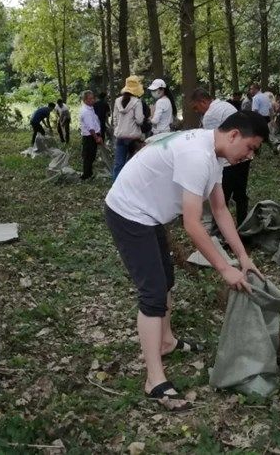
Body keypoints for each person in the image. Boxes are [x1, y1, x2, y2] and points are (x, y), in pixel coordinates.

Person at [104, 112, 268, 410]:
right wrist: (225, 268)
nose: (250, 156)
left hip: (149, 214)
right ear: (233, 135)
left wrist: (243, 258)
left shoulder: (214, 154)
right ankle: (154, 380)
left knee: (166, 279)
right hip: (129, 212)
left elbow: (220, 209)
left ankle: (166, 341)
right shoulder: (198, 156)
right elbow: (192, 224)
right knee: (153, 293)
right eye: (250, 147)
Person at [189, 88, 251, 224]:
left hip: (229, 161)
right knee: (240, 194)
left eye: (196, 107)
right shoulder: (225, 105)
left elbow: (212, 143)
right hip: (244, 155)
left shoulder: (210, 115)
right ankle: (243, 226)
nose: (196, 111)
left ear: (203, 101)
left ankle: (220, 229)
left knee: (222, 197)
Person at [112, 76, 145, 180]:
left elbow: (115, 119)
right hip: (133, 138)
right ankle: (130, 185)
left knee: (119, 164)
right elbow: (139, 120)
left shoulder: (117, 101)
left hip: (120, 136)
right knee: (132, 164)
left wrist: (118, 128)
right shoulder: (137, 102)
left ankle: (116, 185)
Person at [78, 91, 103, 180]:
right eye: (90, 98)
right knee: (88, 156)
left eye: (93, 98)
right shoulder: (86, 112)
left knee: (91, 156)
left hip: (92, 136)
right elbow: (91, 128)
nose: (93, 100)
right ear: (85, 100)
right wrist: (96, 138)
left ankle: (89, 173)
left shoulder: (90, 109)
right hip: (90, 137)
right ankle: (86, 175)